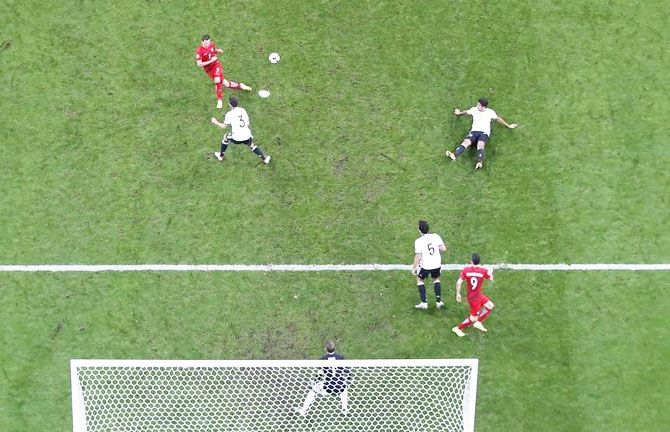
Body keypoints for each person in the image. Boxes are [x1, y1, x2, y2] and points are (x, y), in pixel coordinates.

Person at [445, 98, 518, 171]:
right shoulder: (474, 110)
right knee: (466, 142)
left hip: (484, 132)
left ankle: (479, 162)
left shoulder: (490, 112)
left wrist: (508, 125)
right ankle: (454, 154)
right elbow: (467, 112)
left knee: (480, 144)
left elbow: (498, 119)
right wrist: (459, 113)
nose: (477, 106)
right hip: (474, 131)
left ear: (484, 107)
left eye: (479, 105)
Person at [195, 34, 252, 109]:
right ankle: (240, 85)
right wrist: (210, 61)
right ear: (202, 42)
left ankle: (219, 100)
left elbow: (214, 51)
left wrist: (219, 51)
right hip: (208, 69)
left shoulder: (211, 45)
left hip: (216, 65)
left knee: (217, 80)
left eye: (208, 43)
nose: (207, 44)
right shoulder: (199, 51)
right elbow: (199, 64)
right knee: (226, 84)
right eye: (205, 43)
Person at [211, 97, 271, 164]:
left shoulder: (229, 114)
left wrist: (216, 122)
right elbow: (247, 122)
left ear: (229, 104)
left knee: (225, 137)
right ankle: (265, 158)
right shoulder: (243, 110)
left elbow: (224, 126)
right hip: (247, 135)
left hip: (236, 138)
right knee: (251, 145)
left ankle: (221, 156)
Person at [297, 341, 350, 416]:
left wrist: (314, 382)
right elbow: (346, 371)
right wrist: (349, 379)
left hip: (327, 387)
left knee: (313, 391)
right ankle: (344, 408)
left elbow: (320, 374)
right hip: (339, 387)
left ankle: (304, 410)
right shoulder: (340, 357)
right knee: (344, 388)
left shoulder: (323, 359)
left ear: (326, 349)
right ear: (335, 348)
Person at [452, 253, 495, 337]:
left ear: (471, 261)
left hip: (475, 296)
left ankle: (478, 323)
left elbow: (458, 283)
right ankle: (458, 328)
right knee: (473, 318)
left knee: (490, 305)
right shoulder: (483, 271)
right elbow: (491, 279)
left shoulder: (466, 270)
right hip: (475, 299)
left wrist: (458, 294)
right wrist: (490, 272)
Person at [411, 220, 447, 310]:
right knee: (436, 279)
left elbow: (418, 256)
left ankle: (424, 303)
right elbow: (443, 248)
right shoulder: (435, 236)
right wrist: (435, 246)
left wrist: (414, 268)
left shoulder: (418, 241)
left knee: (419, 280)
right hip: (436, 264)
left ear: (419, 230)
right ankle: (438, 302)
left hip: (426, 265)